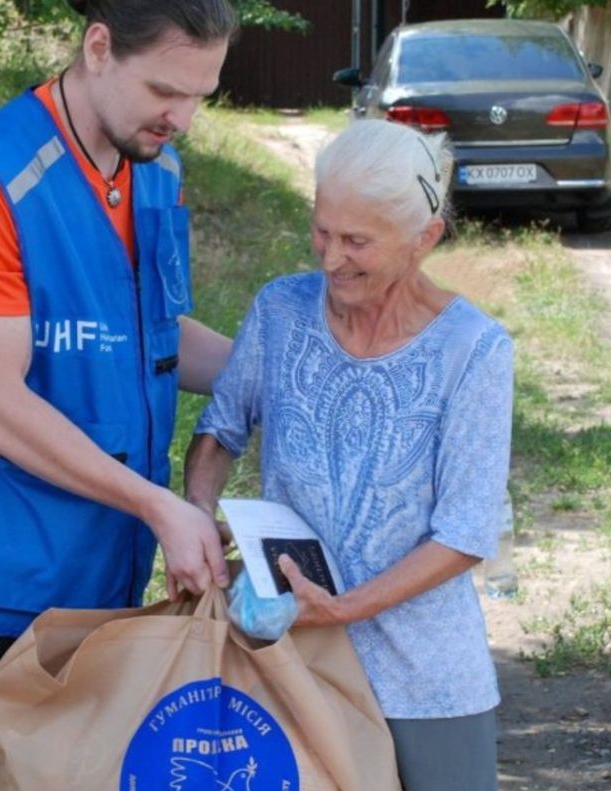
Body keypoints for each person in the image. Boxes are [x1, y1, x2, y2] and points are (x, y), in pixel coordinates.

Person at [0, 2, 238, 788]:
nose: (185, 118)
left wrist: (277, 373)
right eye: (167, 89)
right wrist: (160, 506)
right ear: (98, 48)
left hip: (95, 596)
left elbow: (153, 339)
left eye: (204, 94)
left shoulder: (156, 168)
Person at [184, 119, 514, 791]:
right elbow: (221, 426)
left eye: (357, 240)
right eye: (322, 231)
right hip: (290, 655)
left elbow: (467, 530)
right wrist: (196, 513)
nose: (331, 259)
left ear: (426, 238)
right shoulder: (281, 310)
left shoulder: (474, 350)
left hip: (423, 679)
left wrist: (347, 607)